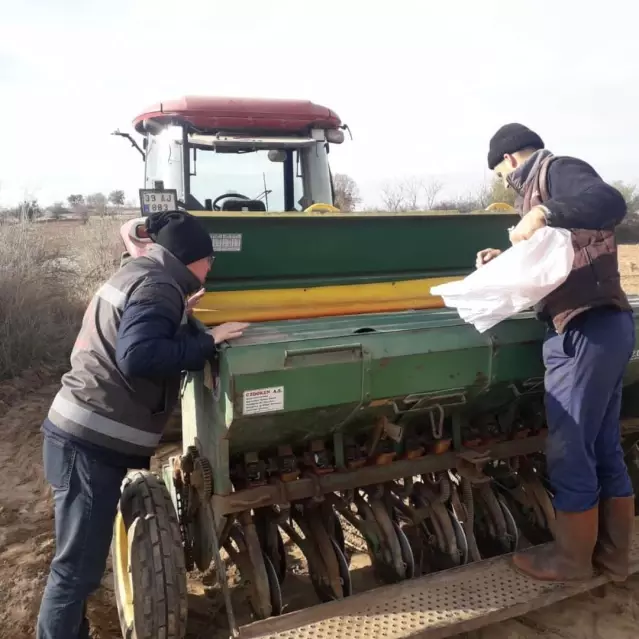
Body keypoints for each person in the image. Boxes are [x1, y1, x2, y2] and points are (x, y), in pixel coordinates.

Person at [37, 210, 249, 639]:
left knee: (78, 567)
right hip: (89, 444)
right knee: (76, 573)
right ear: (189, 258)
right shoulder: (158, 287)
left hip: (82, 435)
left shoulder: (141, 273)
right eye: (209, 259)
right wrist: (208, 340)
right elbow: (138, 357)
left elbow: (140, 334)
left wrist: (180, 319)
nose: (211, 268)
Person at [478, 123, 635, 583]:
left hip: (585, 327)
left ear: (509, 160)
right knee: (602, 443)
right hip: (598, 327)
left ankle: (571, 559)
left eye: (504, 175)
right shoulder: (541, 191)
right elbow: (555, 260)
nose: (507, 185)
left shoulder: (557, 171)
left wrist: (542, 211)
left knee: (569, 445)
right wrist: (504, 260)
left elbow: (610, 203)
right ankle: (612, 557)